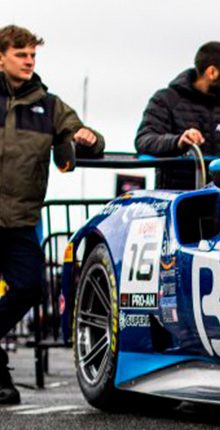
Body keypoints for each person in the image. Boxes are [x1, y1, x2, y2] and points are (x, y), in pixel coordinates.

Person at [0, 24, 104, 405]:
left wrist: (86, 138)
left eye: (33, 55)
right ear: (1, 58)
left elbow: (89, 137)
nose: (29, 61)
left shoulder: (49, 105)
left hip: (20, 220)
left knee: (30, 287)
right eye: (21, 54)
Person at [135, 41, 220, 189]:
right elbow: (144, 141)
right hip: (177, 197)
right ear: (212, 72)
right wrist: (178, 141)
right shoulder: (166, 100)